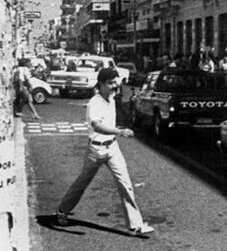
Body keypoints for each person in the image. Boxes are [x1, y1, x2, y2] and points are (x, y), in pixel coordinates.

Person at [54, 68, 154, 236]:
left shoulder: (112, 99)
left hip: (112, 147)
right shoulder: (95, 102)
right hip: (96, 149)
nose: (114, 86)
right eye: (110, 83)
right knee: (82, 183)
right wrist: (119, 131)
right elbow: (97, 126)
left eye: (115, 82)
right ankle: (62, 210)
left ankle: (134, 225)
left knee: (125, 184)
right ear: (100, 84)